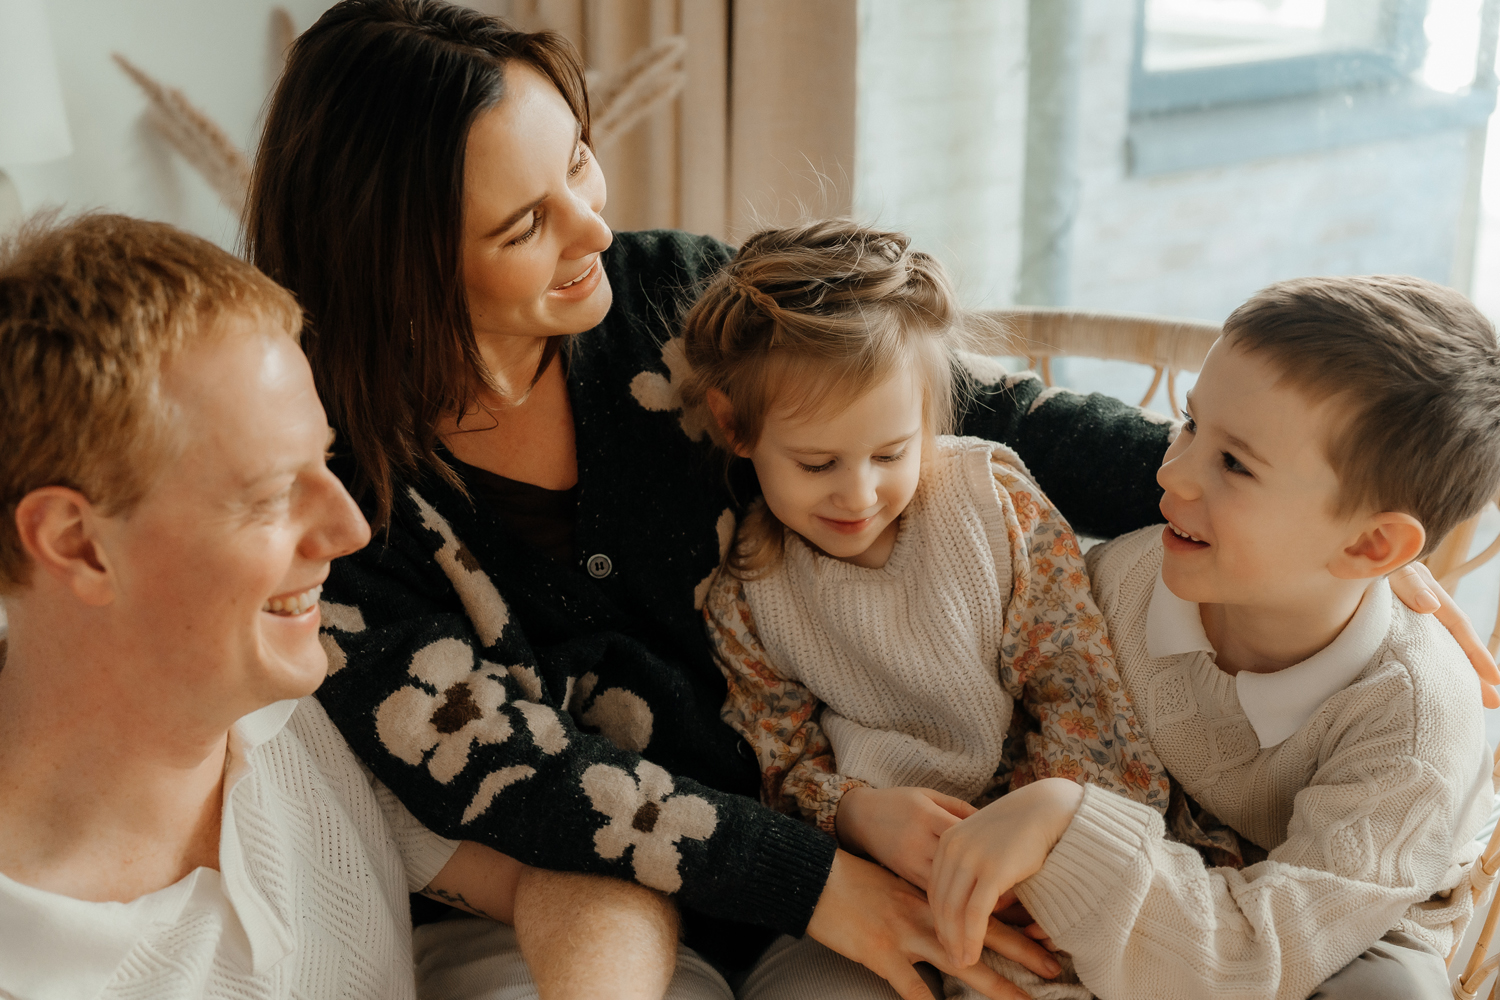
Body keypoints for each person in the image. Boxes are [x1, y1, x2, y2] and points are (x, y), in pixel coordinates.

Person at [242, 2, 1500, 996]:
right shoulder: (333, 497)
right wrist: (822, 876)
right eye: (527, 223)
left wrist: (1316, 536)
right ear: (400, 265)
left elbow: (982, 410)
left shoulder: (678, 302)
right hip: (659, 885)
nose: (593, 229)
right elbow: (520, 774)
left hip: (896, 835)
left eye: (581, 162)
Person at [0, 212, 691, 1000]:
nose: (350, 530)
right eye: (271, 494)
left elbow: (573, 861)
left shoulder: (312, 709)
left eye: (324, 461)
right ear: (78, 545)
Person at [926, 276, 1500, 1000]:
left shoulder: (1415, 732)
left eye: (1234, 463)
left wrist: (1067, 827)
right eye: (1190, 423)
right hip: (1144, 846)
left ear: (1370, 546)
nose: (1170, 473)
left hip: (1328, 931)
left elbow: (1262, 956)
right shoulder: (1122, 582)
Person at [683, 221, 1170, 999]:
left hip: (1042, 849)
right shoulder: (748, 592)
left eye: (890, 453)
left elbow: (1081, 694)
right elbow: (783, 767)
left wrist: (1053, 857)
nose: (858, 494)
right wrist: (856, 814)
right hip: (876, 876)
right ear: (735, 425)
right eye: (817, 463)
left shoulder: (991, 508)